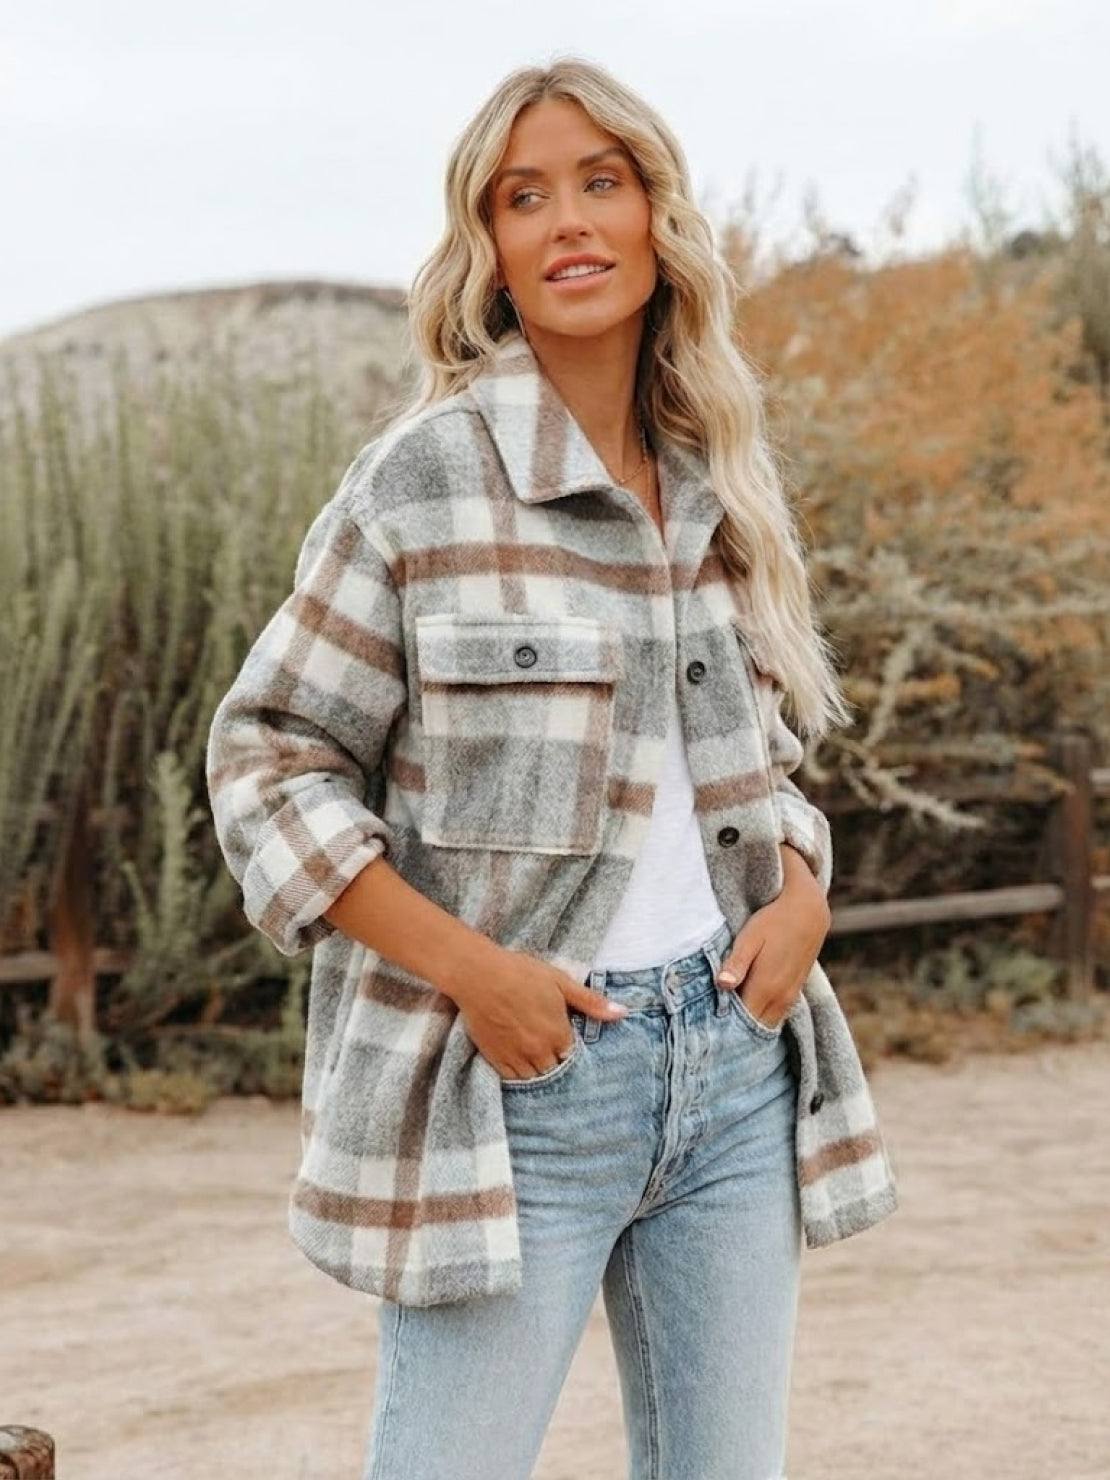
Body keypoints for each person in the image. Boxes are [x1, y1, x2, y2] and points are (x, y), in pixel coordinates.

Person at [205, 55, 899, 1480]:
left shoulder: (713, 477)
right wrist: (473, 969)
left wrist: (804, 894)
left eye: (602, 182)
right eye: (525, 197)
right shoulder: (420, 479)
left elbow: (758, 760)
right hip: (515, 1078)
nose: (569, 220)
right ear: (492, 253)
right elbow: (266, 758)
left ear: (658, 220)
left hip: (733, 1063)